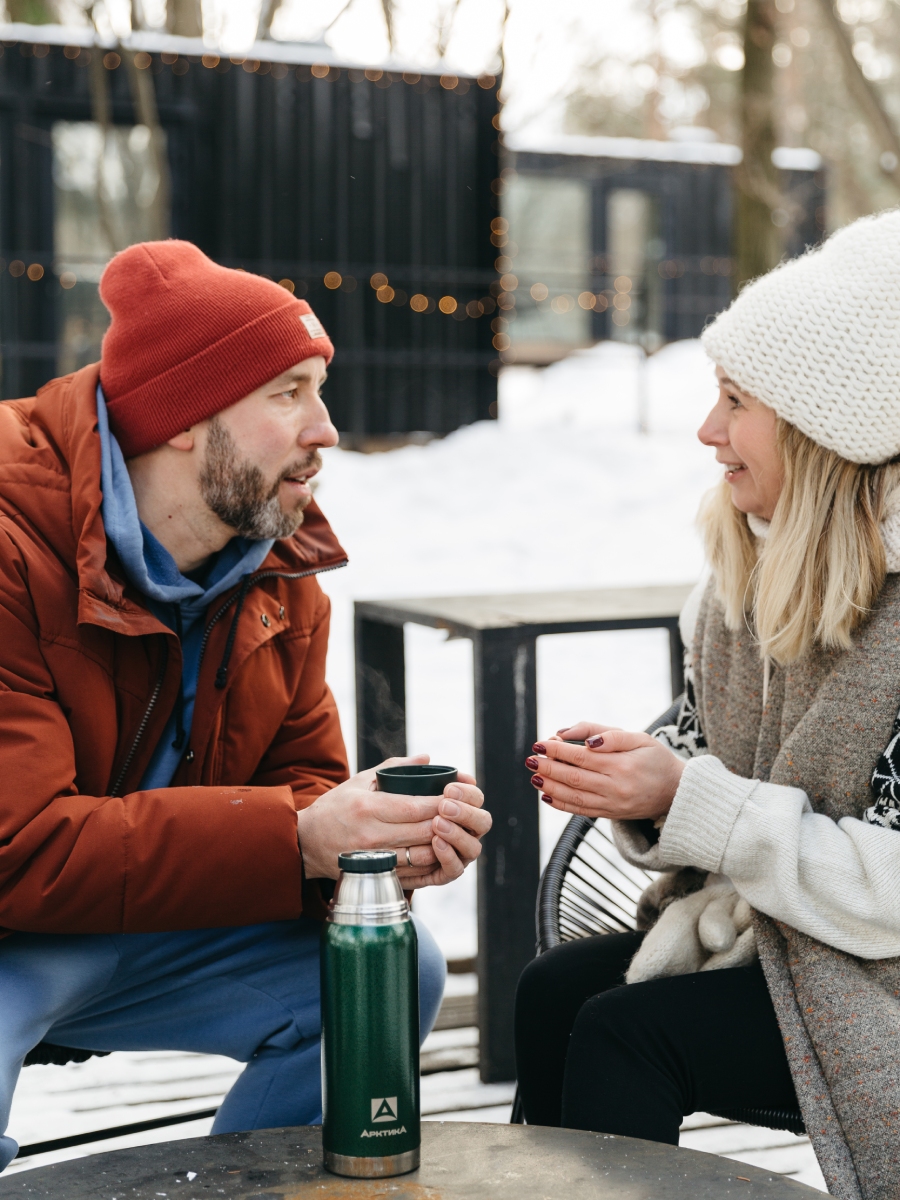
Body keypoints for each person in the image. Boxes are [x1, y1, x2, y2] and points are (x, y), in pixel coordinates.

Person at [0, 240, 491, 1171]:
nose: (326, 429)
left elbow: (301, 788)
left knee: (382, 968)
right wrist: (297, 836)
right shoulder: (11, 546)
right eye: (288, 394)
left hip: (136, 925)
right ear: (185, 419)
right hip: (13, 930)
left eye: (320, 390)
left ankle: (244, 1188)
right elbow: (16, 849)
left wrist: (367, 849)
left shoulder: (276, 564)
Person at [515, 209, 900, 1200]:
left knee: (627, 1034)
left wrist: (689, 797)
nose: (706, 430)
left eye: (736, 400)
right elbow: (699, 754)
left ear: (821, 430)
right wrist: (641, 783)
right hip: (784, 938)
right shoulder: (747, 570)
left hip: (880, 972)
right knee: (554, 991)